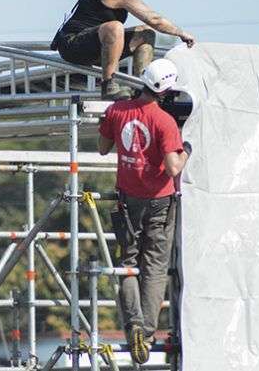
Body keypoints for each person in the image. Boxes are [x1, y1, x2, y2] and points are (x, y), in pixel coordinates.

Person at [97, 58, 191, 364]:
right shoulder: (164, 121)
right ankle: (147, 333)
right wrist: (186, 148)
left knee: (128, 262)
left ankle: (133, 324)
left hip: (128, 199)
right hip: (160, 201)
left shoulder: (117, 111)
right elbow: (172, 166)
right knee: (154, 266)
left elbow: (102, 147)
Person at [51, 0, 195, 100]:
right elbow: (154, 19)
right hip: (72, 45)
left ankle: (141, 87)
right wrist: (181, 33)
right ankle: (109, 86)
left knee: (145, 33)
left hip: (90, 43)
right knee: (115, 27)